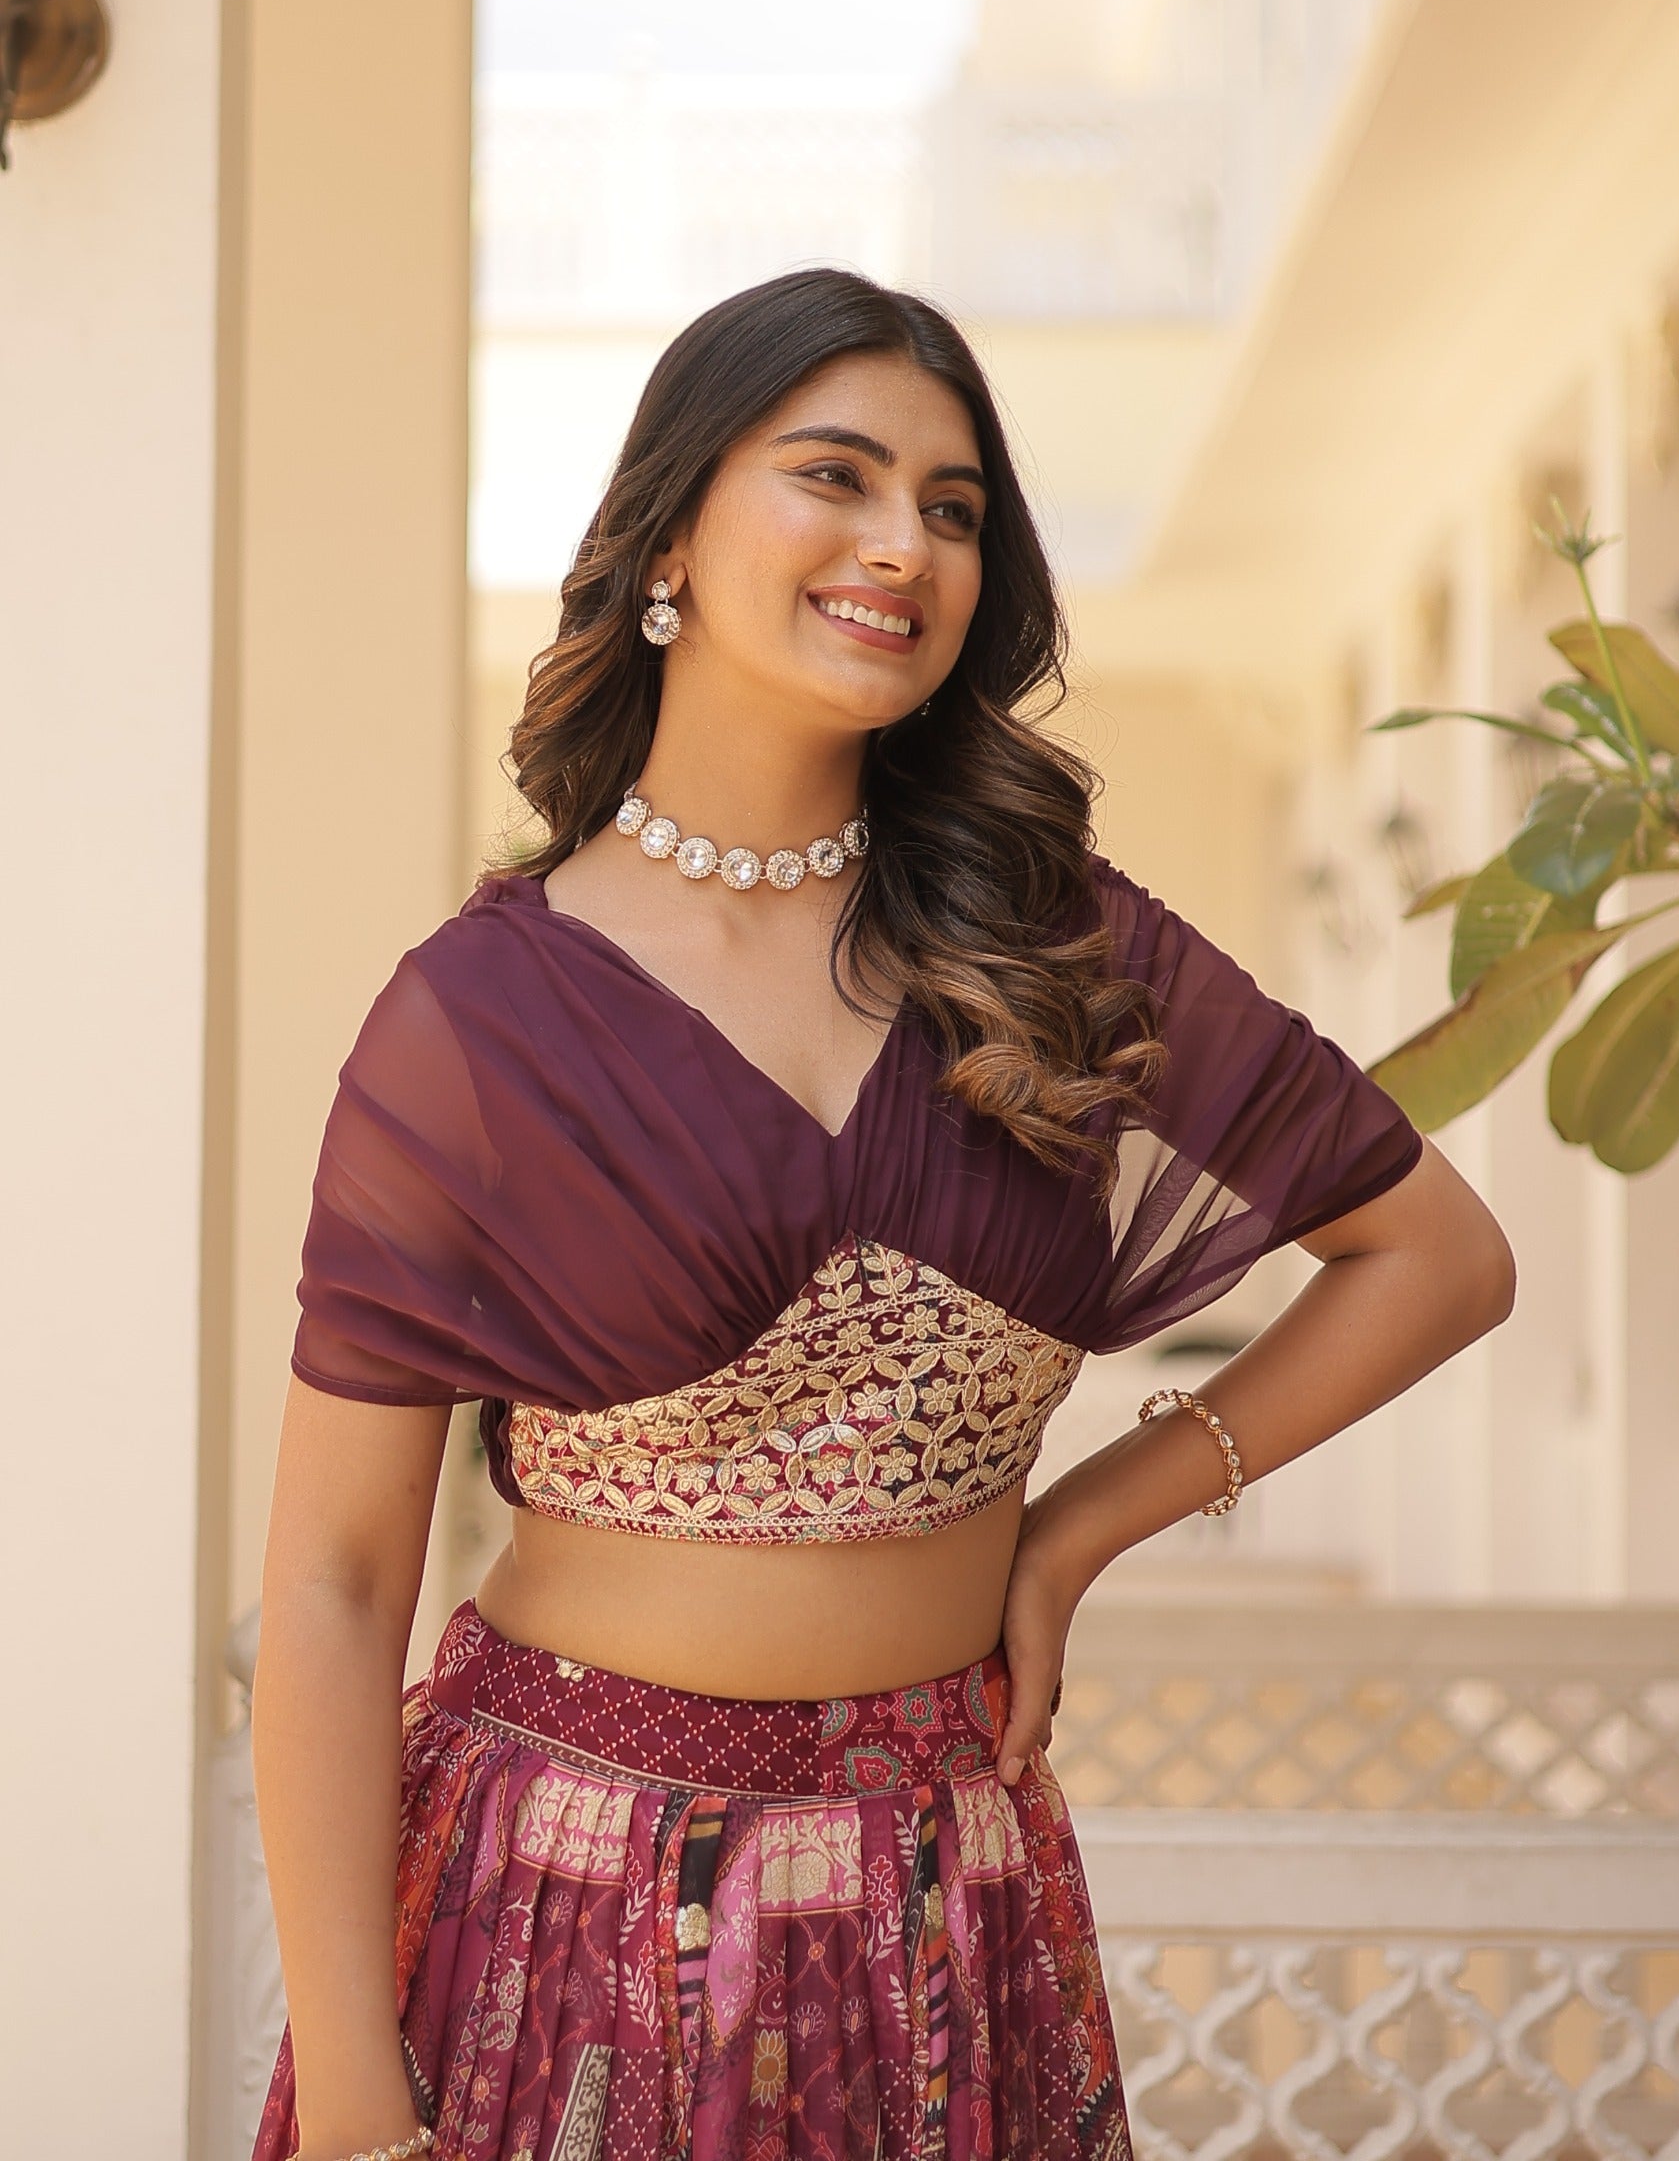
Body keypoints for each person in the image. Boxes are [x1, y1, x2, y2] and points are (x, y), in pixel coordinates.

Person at [251, 268, 1514, 2161]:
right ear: (670, 529)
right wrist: (354, 2084)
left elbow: (1436, 1258)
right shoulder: (485, 1018)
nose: (899, 544)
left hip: (946, 1891)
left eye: (950, 507)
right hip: (560, 1899)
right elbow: (341, 1585)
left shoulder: (1047, 943)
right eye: (831, 477)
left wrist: (1082, 1525)